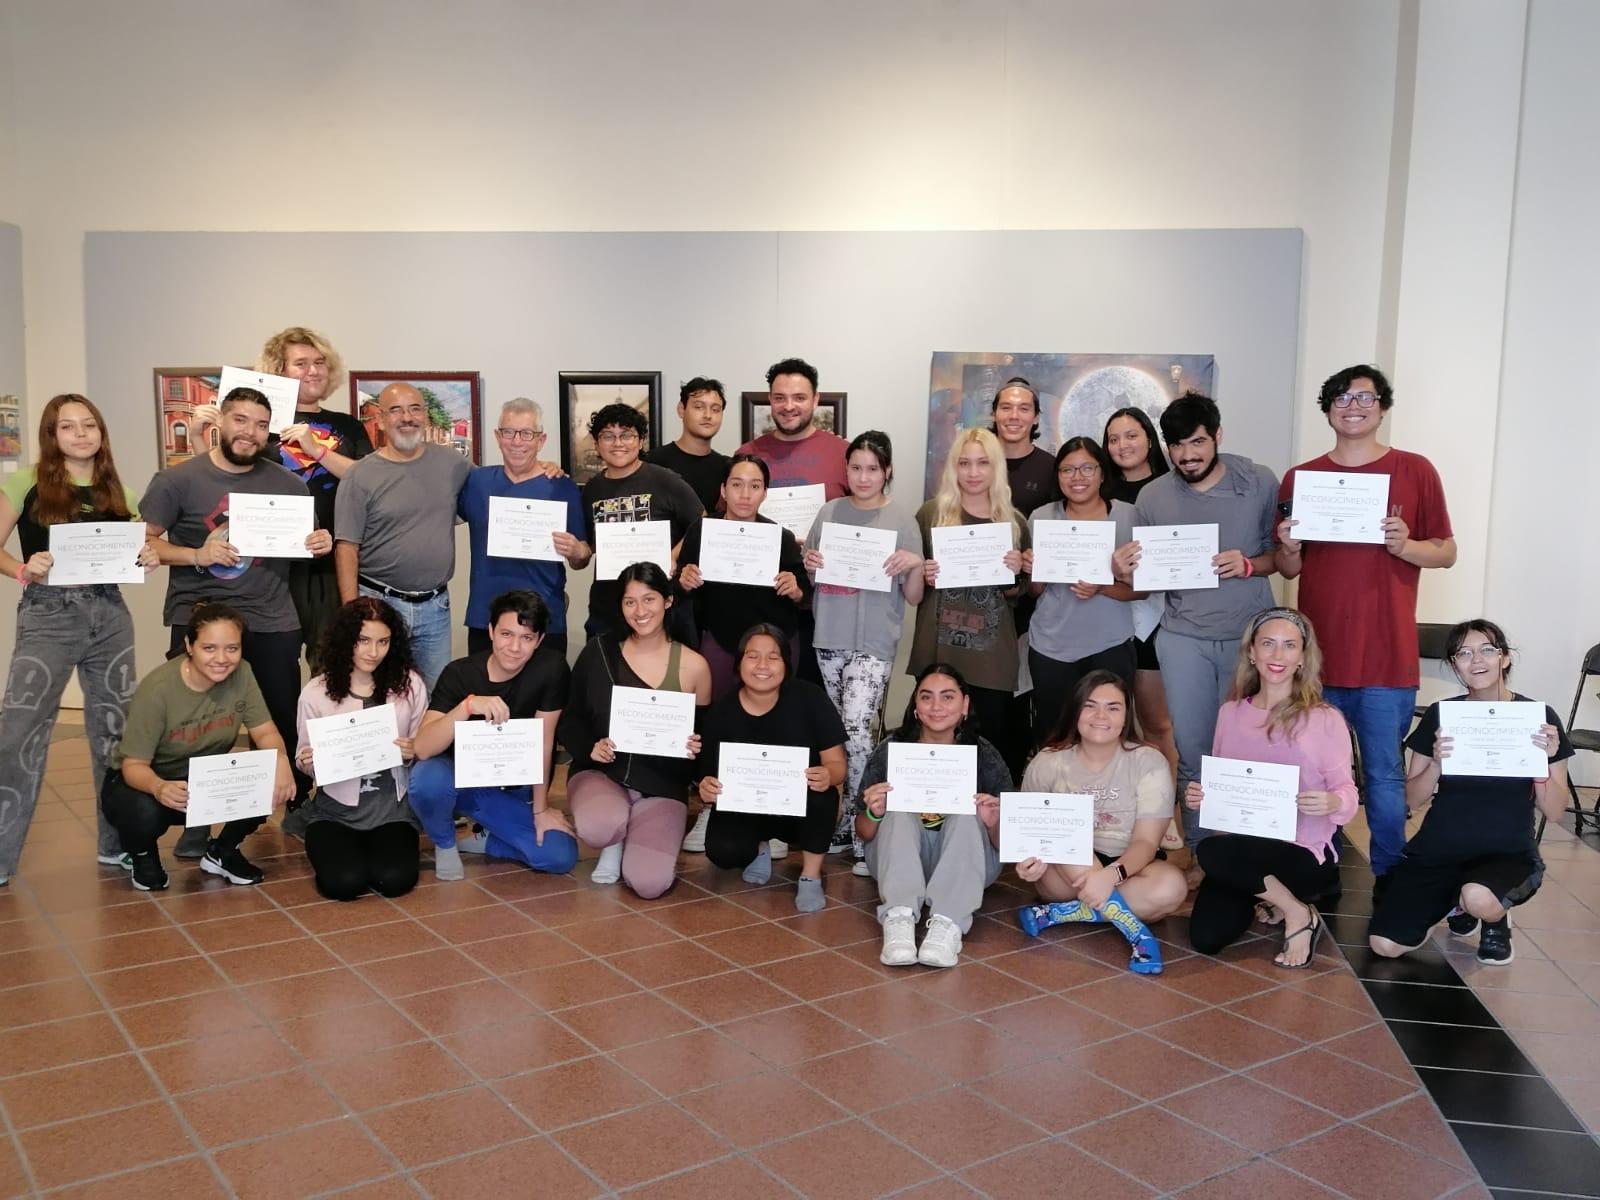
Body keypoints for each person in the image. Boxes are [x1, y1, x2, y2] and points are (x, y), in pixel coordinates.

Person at [1276, 365, 1455, 887]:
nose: (1353, 405)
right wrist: (1287, 546)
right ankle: (1314, 870)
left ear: (1382, 406)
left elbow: (1446, 551)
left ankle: (1390, 876)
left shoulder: (1414, 470)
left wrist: (1406, 546)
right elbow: (1290, 569)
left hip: (1384, 656)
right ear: (1328, 408)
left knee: (1382, 775)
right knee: (1311, 773)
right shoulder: (1301, 478)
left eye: (1364, 397)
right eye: (1341, 397)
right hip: (1317, 660)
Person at [141, 386, 332, 855]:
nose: (250, 432)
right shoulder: (176, 481)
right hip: (200, 618)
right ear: (219, 422)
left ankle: (294, 803)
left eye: (260, 424)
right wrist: (196, 553)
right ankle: (196, 819)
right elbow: (142, 545)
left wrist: (317, 543)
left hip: (271, 617)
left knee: (280, 715)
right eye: (241, 420)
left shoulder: (288, 484)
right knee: (197, 726)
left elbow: (298, 544)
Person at [1114, 392, 1278, 881]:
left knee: (1255, 749)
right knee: (1193, 748)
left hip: (1251, 638)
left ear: (1218, 437)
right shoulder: (1153, 497)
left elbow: (1285, 558)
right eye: (1178, 446)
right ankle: (1204, 853)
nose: (1188, 455)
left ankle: (1259, 852)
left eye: (1198, 443)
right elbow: (1147, 582)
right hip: (1182, 637)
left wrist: (1249, 564)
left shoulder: (1258, 481)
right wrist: (1124, 570)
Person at [0, 394, 156, 884]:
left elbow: (138, 548)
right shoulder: (25, 482)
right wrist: (25, 570)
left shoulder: (121, 491)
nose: (81, 434)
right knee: (19, 733)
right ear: (53, 435)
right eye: (68, 427)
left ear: (101, 432)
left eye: (90, 424)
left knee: (115, 733)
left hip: (110, 614)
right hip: (49, 614)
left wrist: (147, 554)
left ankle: (116, 846)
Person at [1369, 620, 1569, 966]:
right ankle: (1454, 901)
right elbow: (1411, 800)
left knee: (1478, 896)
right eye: (1463, 653)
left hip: (1506, 853)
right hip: (1439, 850)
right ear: (1454, 665)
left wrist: (1544, 764)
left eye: (1487, 650)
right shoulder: (1442, 714)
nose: (1476, 659)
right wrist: (1434, 763)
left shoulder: (1536, 717)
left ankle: (1493, 917)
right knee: (1384, 945)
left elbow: (1555, 811)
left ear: (1505, 658)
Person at [1183, 608, 1358, 967]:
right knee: (1206, 937)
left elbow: (1349, 798)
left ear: (1302, 657)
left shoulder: (1324, 718)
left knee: (1213, 855)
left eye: (1289, 646)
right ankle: (1287, 904)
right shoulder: (1230, 713)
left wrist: (1330, 802)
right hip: (1241, 850)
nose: (1277, 656)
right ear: (1251, 652)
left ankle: (1293, 911)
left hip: (1301, 853)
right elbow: (1222, 786)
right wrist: (1204, 797)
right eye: (1268, 644)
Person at [191, 327, 370, 672]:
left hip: (328, 565)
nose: (313, 370)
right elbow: (222, 478)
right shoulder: (259, 424)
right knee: (269, 663)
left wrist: (316, 451)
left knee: (332, 663)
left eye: (319, 362)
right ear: (278, 372)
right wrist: (200, 438)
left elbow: (367, 482)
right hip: (268, 565)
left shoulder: (347, 426)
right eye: (300, 363)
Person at [101, 604, 295, 891]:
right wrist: (159, 787)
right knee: (142, 812)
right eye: (209, 648)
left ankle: (222, 852)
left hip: (205, 780)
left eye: (232, 648)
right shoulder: (158, 689)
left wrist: (281, 762)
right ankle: (143, 855)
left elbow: (265, 732)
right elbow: (133, 766)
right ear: (189, 645)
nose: (221, 658)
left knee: (265, 778)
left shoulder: (242, 673)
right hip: (148, 783)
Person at [801, 431, 925, 871]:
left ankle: (861, 829)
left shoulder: (902, 520)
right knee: (837, 735)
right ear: (846, 470)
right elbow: (814, 580)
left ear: (886, 471)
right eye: (855, 467)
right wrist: (810, 564)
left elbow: (912, 596)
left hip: (874, 641)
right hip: (829, 636)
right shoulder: (829, 512)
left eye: (873, 468)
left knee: (856, 731)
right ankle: (838, 821)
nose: (863, 476)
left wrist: (912, 565)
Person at [1015, 671, 1186, 975]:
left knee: (1172, 888)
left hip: (1129, 867)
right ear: (1075, 711)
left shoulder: (1149, 762)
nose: (1100, 716)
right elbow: (1031, 829)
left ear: (1126, 716)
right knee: (1065, 834)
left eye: (1113, 707)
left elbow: (1146, 842)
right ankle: (1138, 934)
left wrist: (1110, 876)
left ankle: (1061, 915)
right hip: (1061, 875)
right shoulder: (1048, 761)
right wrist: (1026, 861)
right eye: (1090, 705)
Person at [559, 563, 711, 898]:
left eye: (649, 599)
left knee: (649, 883)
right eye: (630, 602)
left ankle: (635, 830)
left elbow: (704, 741)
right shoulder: (598, 652)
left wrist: (694, 749)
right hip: (603, 773)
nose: (640, 611)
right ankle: (614, 840)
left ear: (668, 601)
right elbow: (571, 718)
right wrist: (589, 748)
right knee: (599, 827)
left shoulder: (695, 666)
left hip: (661, 786)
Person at [408, 590, 577, 881]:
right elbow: (422, 748)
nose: (514, 647)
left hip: (513, 787)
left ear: (538, 641)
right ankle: (445, 843)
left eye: (526, 638)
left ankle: (490, 838)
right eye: (506, 634)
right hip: (461, 784)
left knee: (559, 856)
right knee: (427, 780)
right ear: (490, 631)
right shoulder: (459, 673)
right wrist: (468, 705)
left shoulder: (551, 669)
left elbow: (544, 741)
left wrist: (541, 810)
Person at [856, 663, 1009, 967]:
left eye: (948, 697)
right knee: (898, 813)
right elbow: (863, 832)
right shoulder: (892, 750)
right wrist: (874, 813)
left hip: (966, 863)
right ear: (916, 706)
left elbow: (1005, 844)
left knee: (967, 816)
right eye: (926, 697)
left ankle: (947, 925)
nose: (936, 706)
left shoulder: (984, 755)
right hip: (898, 858)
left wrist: (993, 823)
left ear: (965, 705)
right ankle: (898, 919)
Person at [695, 625, 847, 913]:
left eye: (773, 657)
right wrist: (706, 788)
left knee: (823, 796)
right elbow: (708, 776)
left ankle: (810, 875)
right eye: (753, 656)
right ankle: (760, 849)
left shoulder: (810, 698)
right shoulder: (721, 712)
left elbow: (837, 764)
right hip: (749, 808)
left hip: (800, 806)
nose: (762, 666)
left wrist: (829, 774)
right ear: (739, 664)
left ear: (786, 664)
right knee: (722, 849)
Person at [334, 382, 472, 690]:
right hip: (379, 604)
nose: (406, 417)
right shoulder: (360, 475)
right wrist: (353, 613)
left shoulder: (452, 464)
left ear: (425, 416)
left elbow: (493, 488)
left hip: (435, 606)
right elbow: (346, 547)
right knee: (377, 693)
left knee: (435, 695)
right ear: (381, 420)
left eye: (414, 409)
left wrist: (541, 467)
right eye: (395, 410)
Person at [910, 427, 1031, 775]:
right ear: (953, 468)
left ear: (997, 468)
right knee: (934, 751)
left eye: (983, 463)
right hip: (940, 651)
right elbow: (912, 585)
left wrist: (1015, 572)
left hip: (992, 658)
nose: (974, 473)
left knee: (989, 752)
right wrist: (924, 574)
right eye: (964, 463)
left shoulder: (1014, 522)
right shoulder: (930, 514)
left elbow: (1017, 595)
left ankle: (985, 826)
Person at [293, 597, 426, 901]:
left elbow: (424, 744)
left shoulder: (410, 685)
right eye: (363, 640)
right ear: (346, 640)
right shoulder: (316, 692)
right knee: (344, 884)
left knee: (394, 881)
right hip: (335, 813)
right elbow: (303, 756)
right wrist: (309, 762)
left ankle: (375, 850)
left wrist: (414, 749)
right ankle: (342, 848)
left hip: (392, 813)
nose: (373, 652)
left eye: (383, 641)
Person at [738, 357, 851, 687]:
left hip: (825, 606)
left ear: (816, 400)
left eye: (799, 397)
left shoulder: (843, 453)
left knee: (815, 704)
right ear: (770, 399)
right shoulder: (747, 453)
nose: (789, 406)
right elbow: (732, 522)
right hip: (760, 604)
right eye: (779, 397)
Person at [1026, 437, 1138, 750]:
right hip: (1051, 645)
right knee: (1054, 736)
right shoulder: (1041, 518)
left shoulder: (1128, 516)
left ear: (1103, 473)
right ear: (1057, 475)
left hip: (1109, 643)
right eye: (1068, 470)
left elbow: (1142, 592)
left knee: (1110, 734)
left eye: (1088, 468)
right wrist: (1034, 571)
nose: (1078, 477)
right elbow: (1035, 591)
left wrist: (1103, 585)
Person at [459, 398, 589, 656]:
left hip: (544, 620)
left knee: (545, 696)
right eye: (509, 432)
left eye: (527, 433)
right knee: (486, 695)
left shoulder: (562, 487)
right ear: (498, 436)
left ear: (540, 440)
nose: (517, 441)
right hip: (486, 619)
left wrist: (575, 550)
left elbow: (582, 558)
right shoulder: (477, 481)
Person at [676, 454, 810, 698]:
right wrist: (684, 581)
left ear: (765, 493)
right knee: (718, 715)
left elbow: (806, 597)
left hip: (773, 646)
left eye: (755, 486)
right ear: (724, 490)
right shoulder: (702, 530)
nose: (745, 494)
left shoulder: (781, 537)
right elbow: (678, 588)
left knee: (772, 722)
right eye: (737, 484)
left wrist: (796, 589)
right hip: (719, 640)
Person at [579, 402, 703, 641]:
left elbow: (702, 521)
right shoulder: (591, 489)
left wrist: (674, 555)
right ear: (596, 443)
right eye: (608, 436)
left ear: (640, 441)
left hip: (660, 609)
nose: (617, 443)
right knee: (605, 675)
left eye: (626, 435)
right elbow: (590, 545)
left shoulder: (665, 480)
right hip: (607, 608)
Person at [1102, 406, 1178, 773]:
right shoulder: (1098, 493)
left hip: (1158, 620)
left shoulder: (1174, 488)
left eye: (1131, 435)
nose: (1122, 445)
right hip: (1107, 617)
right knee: (1114, 724)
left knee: (1156, 723)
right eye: (1113, 439)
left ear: (1149, 438)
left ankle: (1166, 815)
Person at [645, 377, 731, 515]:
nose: (708, 415)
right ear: (681, 409)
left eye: (715, 409)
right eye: (698, 407)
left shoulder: (728, 467)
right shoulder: (654, 462)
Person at [992, 377, 1056, 516]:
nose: (1014, 416)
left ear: (1036, 418)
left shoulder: (1051, 468)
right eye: (1006, 408)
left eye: (1024, 409)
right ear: (993, 414)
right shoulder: (974, 465)